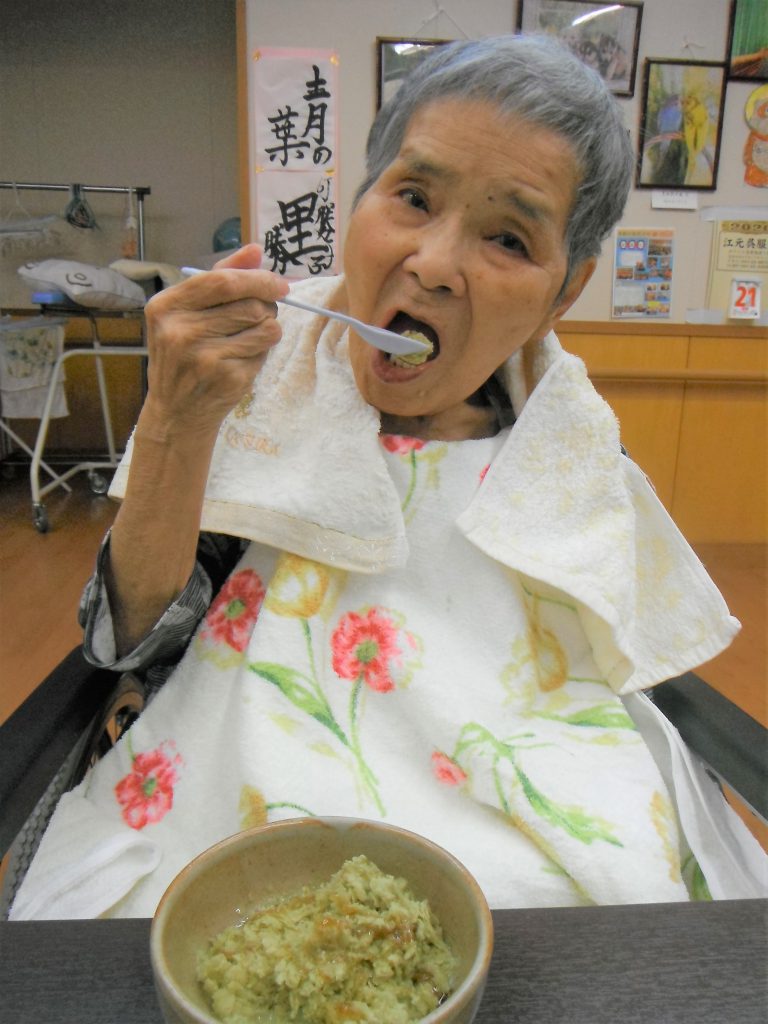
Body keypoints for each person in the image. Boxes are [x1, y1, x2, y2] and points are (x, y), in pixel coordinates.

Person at [11, 34, 764, 920]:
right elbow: (127, 646)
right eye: (413, 197)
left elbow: (603, 677)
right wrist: (177, 421)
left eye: (508, 238)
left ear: (564, 294)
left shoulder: (568, 456)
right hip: (240, 791)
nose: (436, 265)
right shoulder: (250, 388)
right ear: (361, 199)